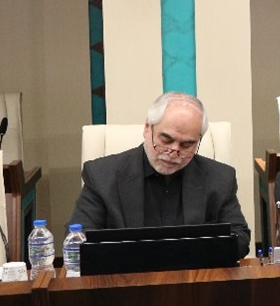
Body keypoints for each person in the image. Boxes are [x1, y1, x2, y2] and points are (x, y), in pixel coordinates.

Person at [69, 91, 251, 256]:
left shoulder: (220, 178)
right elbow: (79, 241)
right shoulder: (101, 176)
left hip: (193, 278)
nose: (173, 152)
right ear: (147, 128)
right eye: (166, 140)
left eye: (186, 145)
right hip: (127, 278)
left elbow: (240, 239)